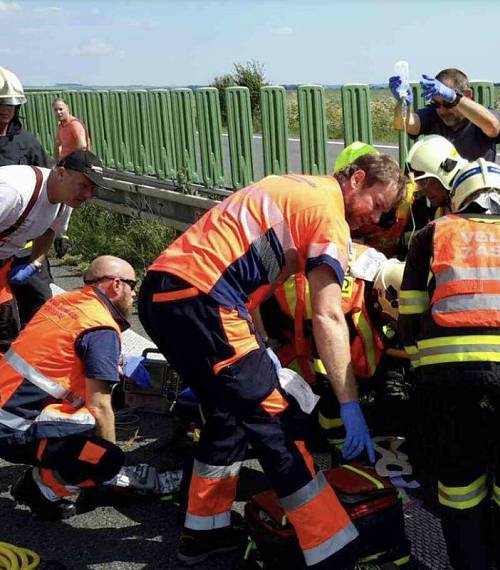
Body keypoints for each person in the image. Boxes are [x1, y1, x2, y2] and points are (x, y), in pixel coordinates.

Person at [138, 153, 405, 567]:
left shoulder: (294, 189)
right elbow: (329, 315)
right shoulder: (329, 214)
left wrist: (258, 340)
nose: (374, 218)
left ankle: (204, 534)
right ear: (356, 179)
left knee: (226, 416)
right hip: (204, 301)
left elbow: (253, 271)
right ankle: (334, 552)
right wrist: (349, 404)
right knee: (279, 425)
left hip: (165, 294)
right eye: (377, 204)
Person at [399, 159, 500, 569]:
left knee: (458, 483)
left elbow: (410, 318)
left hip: (447, 376)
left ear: (458, 200)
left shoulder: (433, 233)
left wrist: (423, 374)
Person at [0, 255, 135, 520]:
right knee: (106, 459)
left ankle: (47, 466)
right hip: (12, 429)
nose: (134, 293)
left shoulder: (63, 302)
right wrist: (108, 471)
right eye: (133, 285)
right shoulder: (100, 326)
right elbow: (100, 406)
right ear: (117, 285)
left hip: (8, 408)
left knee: (88, 414)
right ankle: (39, 488)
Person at [261, 243, 406, 451]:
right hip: (273, 319)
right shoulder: (346, 308)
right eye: (394, 319)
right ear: (385, 300)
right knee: (325, 388)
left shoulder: (375, 266)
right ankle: (333, 440)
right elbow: (332, 373)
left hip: (291, 305)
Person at [0, 150, 106, 351]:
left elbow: (50, 229)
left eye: (93, 189)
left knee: (6, 333)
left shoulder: (65, 201)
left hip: (2, 263)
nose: (88, 195)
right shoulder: (13, 193)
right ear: (60, 173)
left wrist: (35, 263)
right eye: (84, 186)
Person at [0, 66, 60, 327]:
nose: (5, 109)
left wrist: (60, 233)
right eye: (1, 103)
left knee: (40, 310)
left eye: (11, 104)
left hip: (27, 251)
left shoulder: (26, 143)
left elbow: (53, 185)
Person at [390, 68, 500, 161]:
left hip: (476, 184)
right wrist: (403, 102)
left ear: (467, 94)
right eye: (437, 103)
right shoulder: (433, 113)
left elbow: (492, 127)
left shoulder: (483, 115)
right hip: (441, 185)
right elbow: (404, 124)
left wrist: (454, 98)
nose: (442, 110)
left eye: (448, 103)